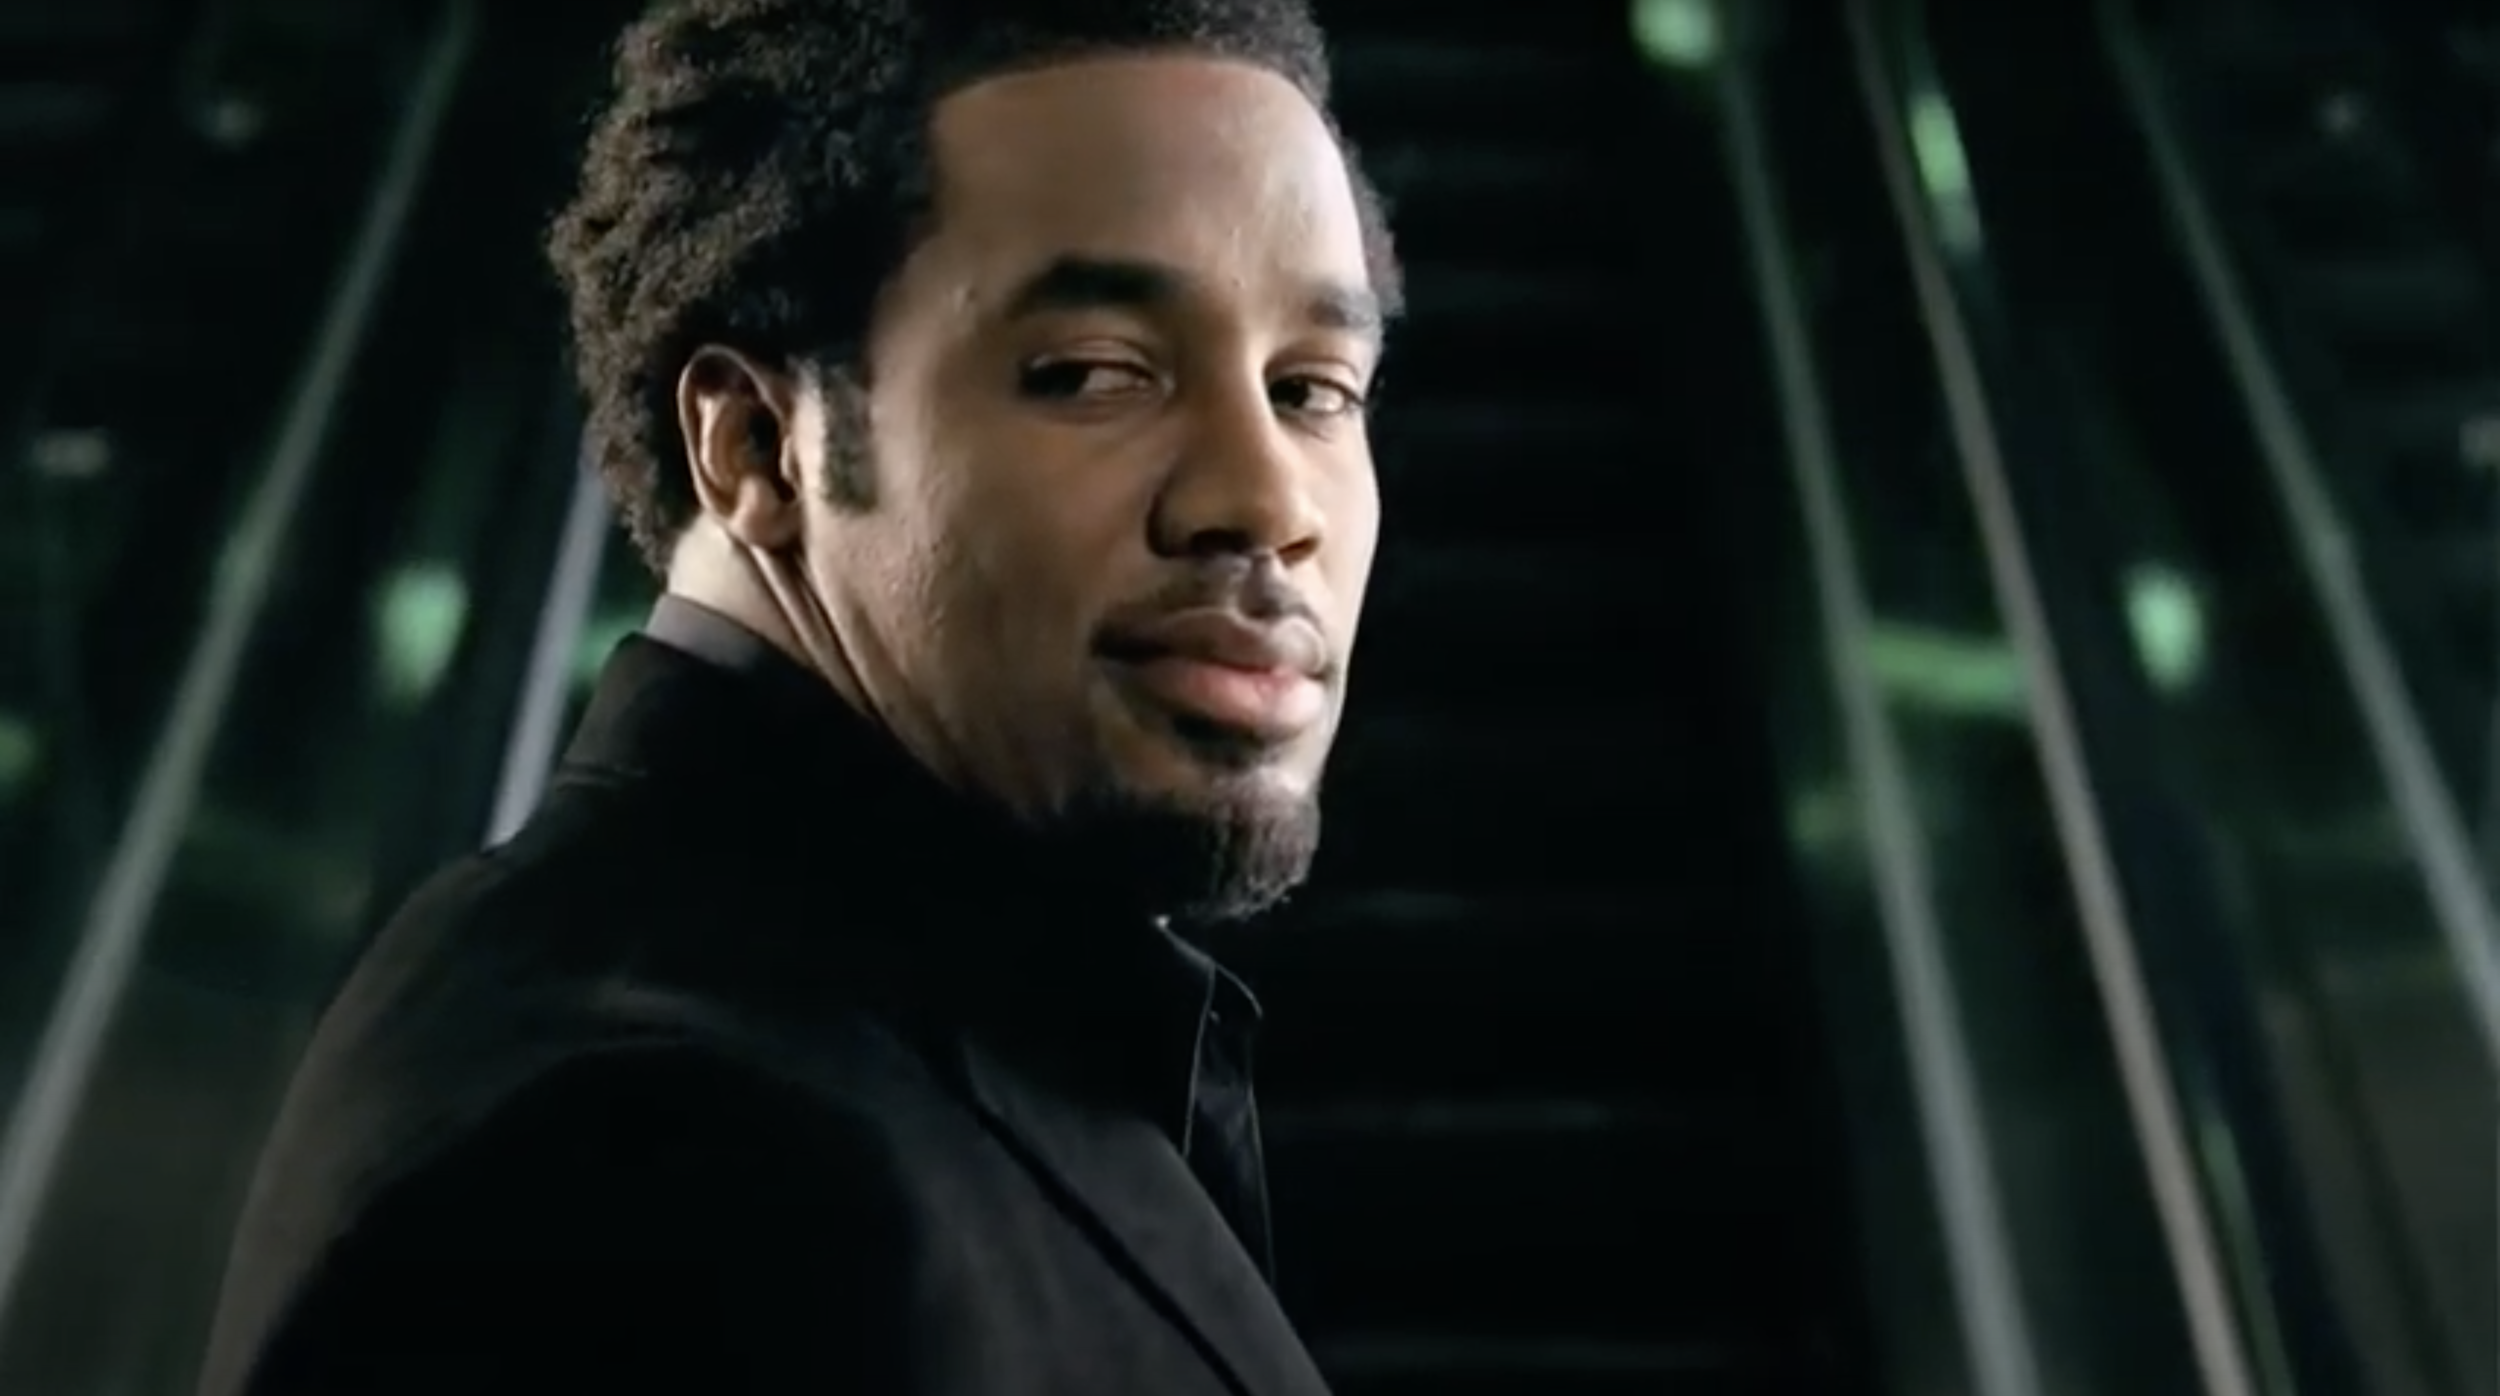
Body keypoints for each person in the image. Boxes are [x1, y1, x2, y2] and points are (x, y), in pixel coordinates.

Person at [193, 0, 1401, 1391]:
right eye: (1090, 376)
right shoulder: (644, 1156)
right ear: (759, 446)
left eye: (1315, 390)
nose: (1265, 501)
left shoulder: (903, 1029)